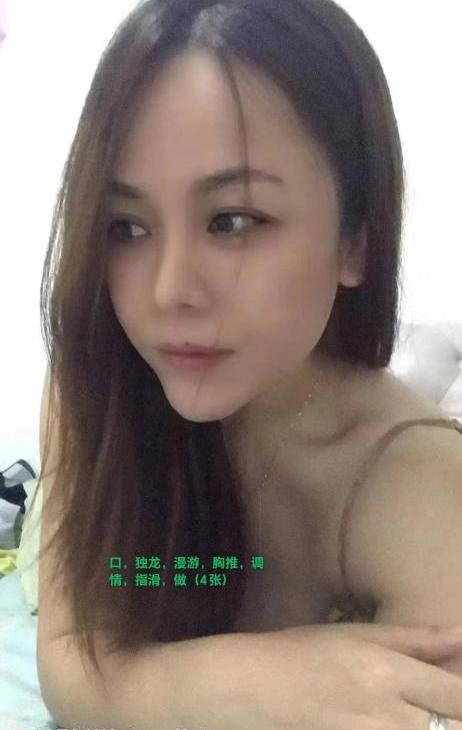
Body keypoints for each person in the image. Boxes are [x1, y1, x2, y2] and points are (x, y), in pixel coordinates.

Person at [37, 1, 462, 728]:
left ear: (356, 240)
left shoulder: (420, 497)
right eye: (126, 227)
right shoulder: (97, 383)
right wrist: (250, 679)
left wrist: (130, 683)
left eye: (232, 221)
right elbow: (67, 662)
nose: (169, 290)